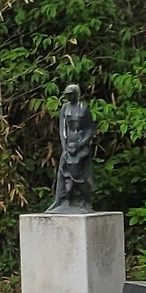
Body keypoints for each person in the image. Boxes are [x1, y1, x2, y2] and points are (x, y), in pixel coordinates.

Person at [48, 83, 95, 212]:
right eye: (67, 95)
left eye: (71, 94)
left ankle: (85, 200)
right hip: (68, 146)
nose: (69, 97)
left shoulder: (83, 108)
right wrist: (65, 147)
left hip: (81, 145)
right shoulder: (65, 108)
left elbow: (90, 129)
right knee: (62, 172)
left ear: (77, 94)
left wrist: (81, 143)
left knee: (79, 174)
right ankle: (60, 200)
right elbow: (63, 129)